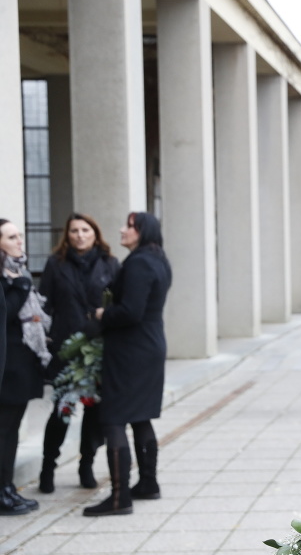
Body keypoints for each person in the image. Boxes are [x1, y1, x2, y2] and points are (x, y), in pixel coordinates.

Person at [83, 213, 172, 516]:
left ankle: (120, 497)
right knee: (141, 416)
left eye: (129, 226)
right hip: (149, 345)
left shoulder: (138, 263)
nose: (122, 229)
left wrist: (101, 315)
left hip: (131, 350)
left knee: (114, 418)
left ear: (142, 231)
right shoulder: (158, 259)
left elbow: (130, 311)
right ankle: (148, 483)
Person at [38, 213, 120, 493]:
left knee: (94, 413)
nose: (79, 235)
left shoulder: (110, 264)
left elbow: (117, 304)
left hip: (98, 349)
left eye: (85, 230)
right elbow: (44, 305)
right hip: (66, 347)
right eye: (74, 230)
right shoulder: (55, 263)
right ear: (67, 235)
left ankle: (86, 464)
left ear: (95, 234)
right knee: (62, 409)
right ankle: (48, 466)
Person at [0, 219, 46, 515]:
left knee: (11, 430)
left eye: (19, 236)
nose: (20, 241)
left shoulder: (17, 271)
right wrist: (21, 285)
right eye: (12, 237)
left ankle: (7, 487)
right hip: (7, 369)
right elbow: (7, 312)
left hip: (21, 365)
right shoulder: (11, 277)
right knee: (4, 431)